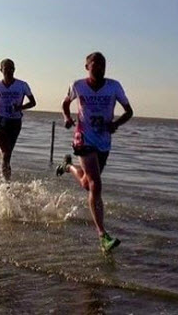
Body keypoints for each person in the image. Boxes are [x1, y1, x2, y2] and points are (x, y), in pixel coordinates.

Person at [56, 52, 133, 253]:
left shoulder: (114, 86)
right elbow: (65, 103)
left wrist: (116, 124)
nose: (99, 67)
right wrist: (66, 117)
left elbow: (129, 111)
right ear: (87, 66)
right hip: (83, 137)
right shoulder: (78, 85)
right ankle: (102, 235)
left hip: (104, 141)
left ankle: (68, 166)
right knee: (96, 185)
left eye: (103, 64)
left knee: (87, 185)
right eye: (95, 64)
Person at [0, 58, 36, 181]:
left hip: (15, 123)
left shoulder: (22, 85)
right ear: (1, 70)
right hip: (1, 120)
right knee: (5, 154)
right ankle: (6, 183)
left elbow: (33, 102)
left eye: (11, 68)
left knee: (8, 156)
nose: (9, 71)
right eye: (6, 69)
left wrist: (20, 107)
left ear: (14, 69)